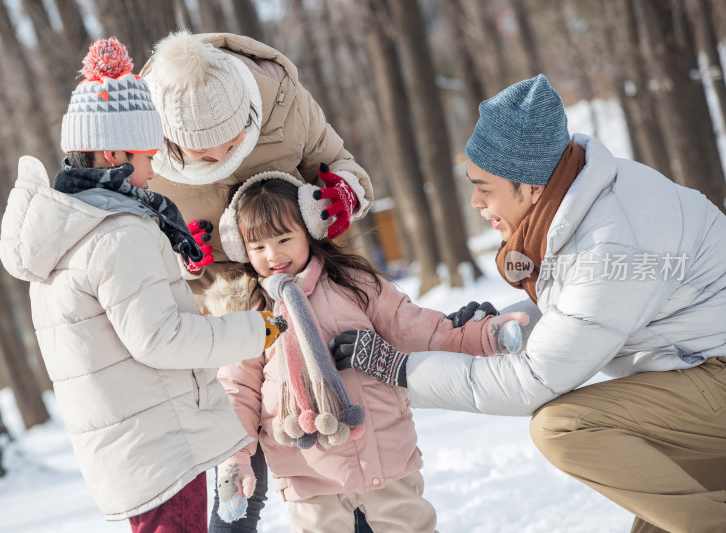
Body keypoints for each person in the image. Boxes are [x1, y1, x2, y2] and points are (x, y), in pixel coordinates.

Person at [331, 74, 726, 533]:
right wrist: (500, 329)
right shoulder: (583, 195)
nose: (476, 202)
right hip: (697, 374)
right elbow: (584, 311)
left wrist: (401, 369)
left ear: (533, 186)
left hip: (712, 377)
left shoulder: (610, 242)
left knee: (563, 427)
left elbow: (533, 382)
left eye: (486, 187)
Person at [0, 38, 285, 532]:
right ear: (114, 152)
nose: (153, 171)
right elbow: (161, 338)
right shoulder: (117, 233)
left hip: (133, 451)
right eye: (147, 155)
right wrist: (256, 330)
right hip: (163, 447)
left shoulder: (65, 232)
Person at [139, 30, 375, 531]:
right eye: (204, 154)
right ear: (169, 141)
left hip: (305, 294)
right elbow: (133, 254)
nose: (222, 155)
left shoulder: (284, 105)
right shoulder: (137, 151)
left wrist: (344, 196)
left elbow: (346, 167)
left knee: (336, 435)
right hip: (219, 311)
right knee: (238, 447)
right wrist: (178, 258)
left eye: (231, 143)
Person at [203, 172, 528, 533]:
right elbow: (237, 392)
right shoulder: (248, 315)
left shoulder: (354, 286)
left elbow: (418, 329)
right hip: (311, 485)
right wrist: (235, 457)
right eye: (258, 247)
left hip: (387, 467)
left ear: (310, 229)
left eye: (283, 239)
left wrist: (483, 336)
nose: (273, 255)